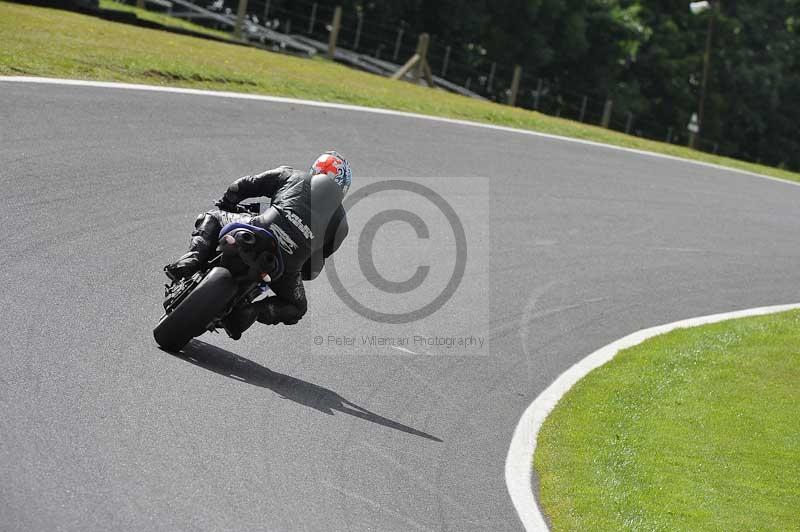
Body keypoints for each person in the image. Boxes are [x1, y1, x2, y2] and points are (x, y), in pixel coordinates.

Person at [165, 151, 351, 337]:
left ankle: (191, 261)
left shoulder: (293, 175)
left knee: (212, 216)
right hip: (284, 267)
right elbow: (315, 266)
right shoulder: (341, 225)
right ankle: (251, 312)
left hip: (258, 230)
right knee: (297, 307)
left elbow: (241, 186)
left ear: (316, 168)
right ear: (343, 187)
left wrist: (227, 202)